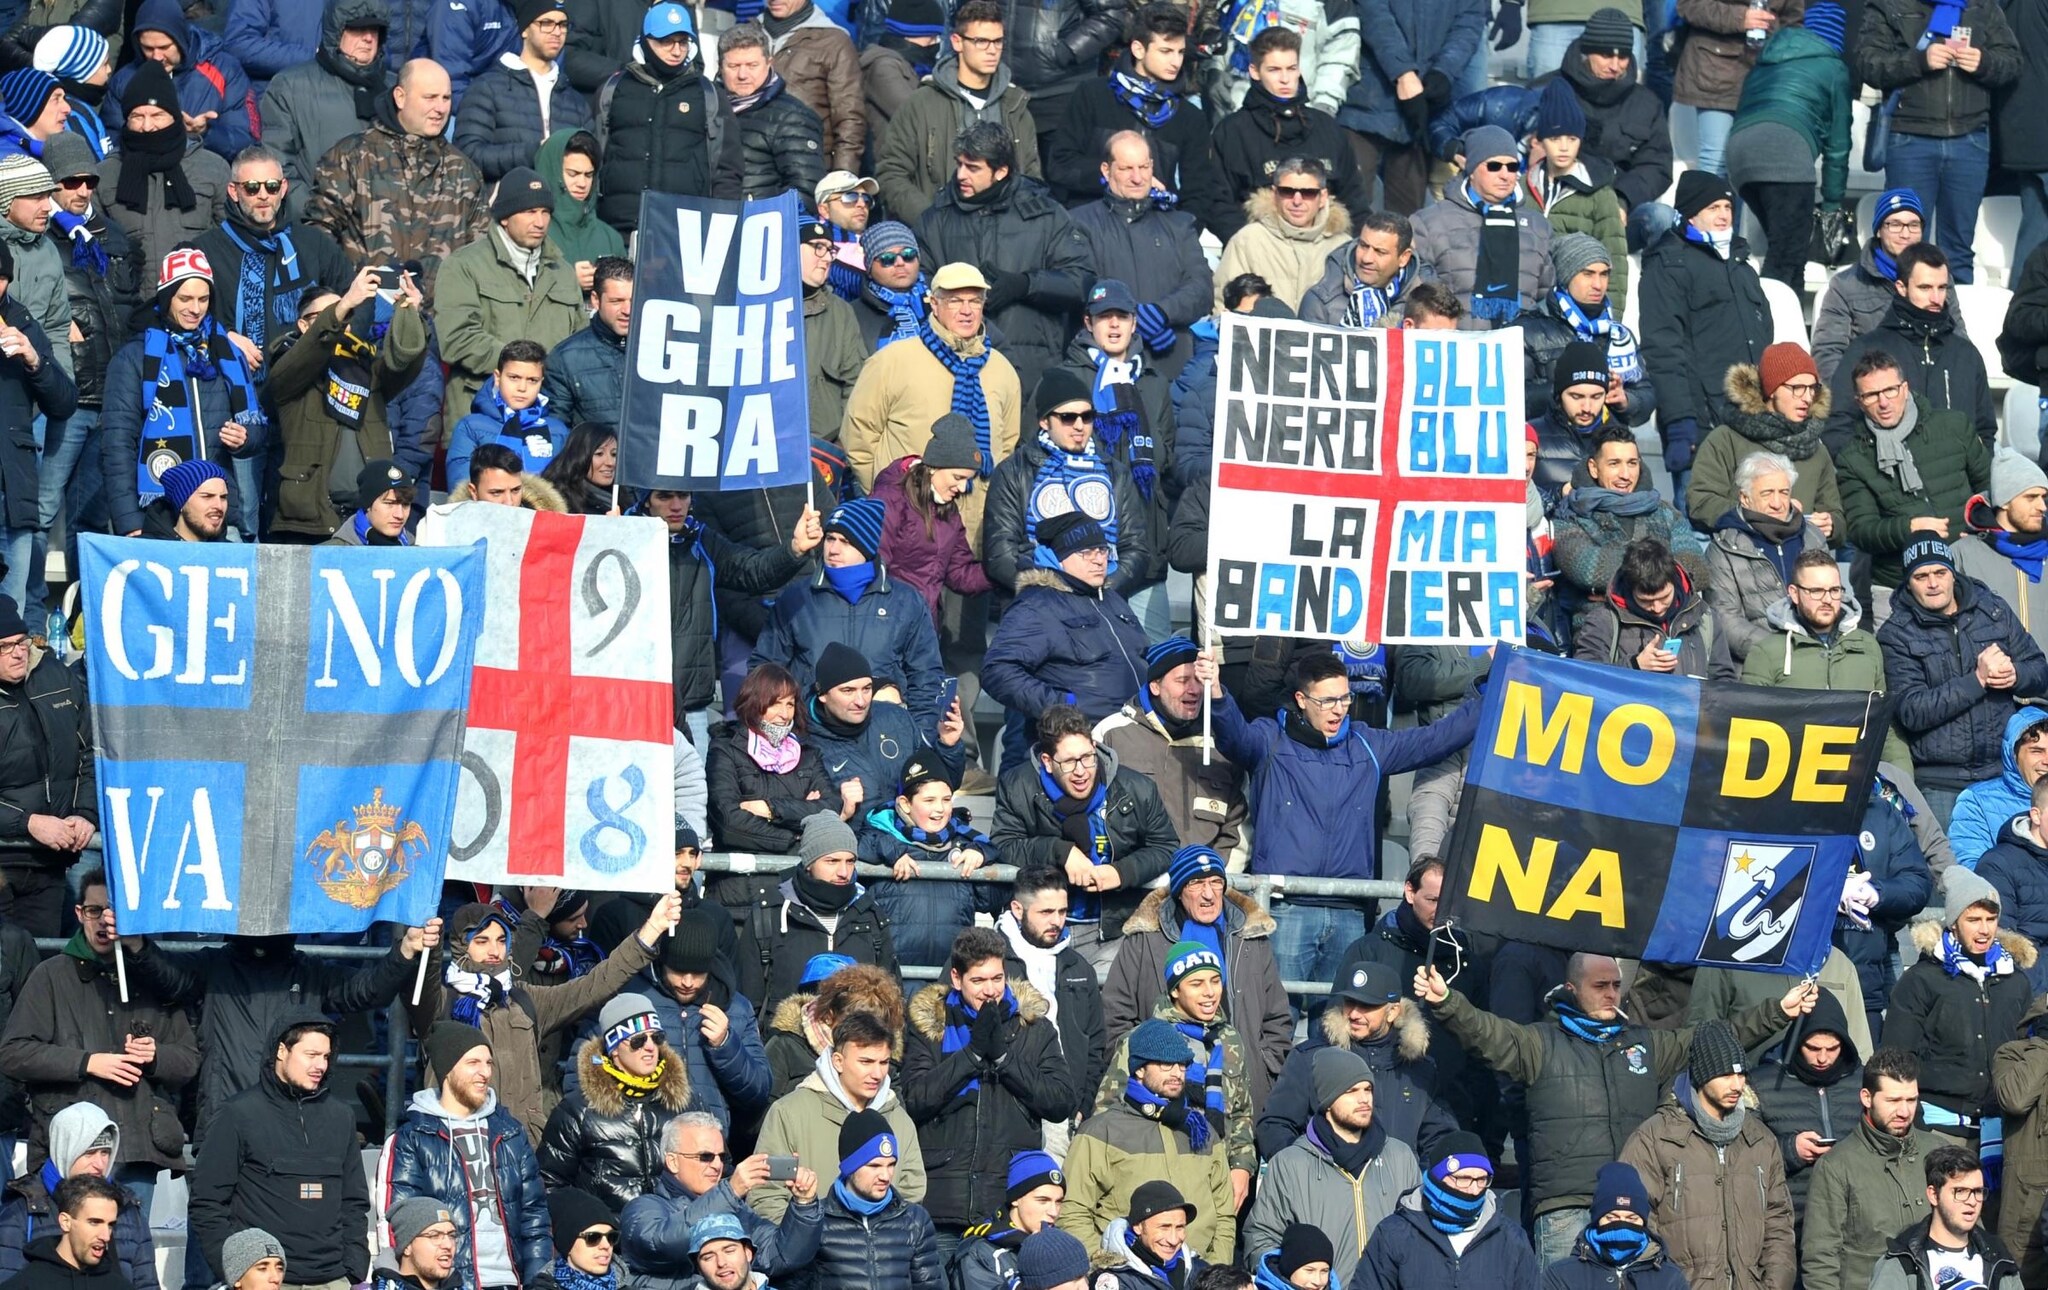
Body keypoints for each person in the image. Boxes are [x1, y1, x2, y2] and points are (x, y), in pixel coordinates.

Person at [1416, 959, 1817, 1268]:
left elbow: (1709, 1040)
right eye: (1600, 986)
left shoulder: (1644, 1045)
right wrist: (1447, 1002)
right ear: (1572, 989)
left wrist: (1778, 1012)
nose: (1611, 994)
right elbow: (1486, 1032)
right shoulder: (1539, 1044)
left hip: (1634, 1206)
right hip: (1565, 1208)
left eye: (1616, 985)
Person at [1200, 646, 1475, 986]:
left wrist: (1490, 688)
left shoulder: (1367, 744)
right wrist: (1216, 693)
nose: (1340, 709)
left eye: (1345, 698)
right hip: (1286, 908)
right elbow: (1233, 736)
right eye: (1327, 700)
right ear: (1301, 699)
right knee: (1278, 1014)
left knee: (1345, 1017)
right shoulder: (1269, 740)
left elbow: (1437, 739)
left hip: (1350, 911)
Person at [417, 893, 683, 1144]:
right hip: (455, 1145)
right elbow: (423, 980)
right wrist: (427, 946)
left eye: (501, 940)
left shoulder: (525, 1000)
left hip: (521, 1148)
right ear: (461, 946)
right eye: (482, 941)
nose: (494, 951)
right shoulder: (442, 1003)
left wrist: (652, 930)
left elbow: (596, 984)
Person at [0, 869, 197, 1200]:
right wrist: (87, 1062)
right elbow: (14, 1053)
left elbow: (188, 1061)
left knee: (131, 1235)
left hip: (136, 1148)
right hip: (67, 1147)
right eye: (95, 911)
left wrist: (156, 1056)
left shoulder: (156, 981)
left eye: (114, 913)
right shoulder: (50, 975)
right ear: (79, 913)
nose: (105, 921)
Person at [901, 928, 1076, 1238]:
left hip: (1007, 1202)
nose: (990, 990)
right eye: (978, 981)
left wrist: (1004, 1059)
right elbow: (915, 1098)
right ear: (957, 979)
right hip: (942, 1202)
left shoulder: (1034, 1028)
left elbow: (1061, 1101)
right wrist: (970, 1056)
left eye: (997, 978)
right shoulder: (929, 1026)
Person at [842, 261, 1021, 555]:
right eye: (955, 301)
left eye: (975, 301)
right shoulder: (892, 361)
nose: (967, 310)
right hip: (908, 528)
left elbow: (1007, 445)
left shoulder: (1002, 371)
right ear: (934, 304)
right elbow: (859, 436)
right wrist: (891, 499)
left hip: (977, 531)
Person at [990, 703, 1178, 971]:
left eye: (1088, 757)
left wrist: (1122, 872)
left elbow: (1166, 847)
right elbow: (1004, 844)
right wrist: (1059, 852)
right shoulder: (1017, 785)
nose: (1081, 771)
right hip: (1037, 932)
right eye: (1069, 762)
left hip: (1114, 930)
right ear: (1047, 762)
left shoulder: (1137, 788)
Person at [186, 1015, 365, 1287]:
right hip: (266, 1282)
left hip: (334, 1279)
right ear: (282, 1051)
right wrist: (236, 1270)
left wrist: (354, 1268)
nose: (321, 1065)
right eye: (311, 1055)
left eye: (326, 1056)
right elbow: (207, 1202)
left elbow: (354, 1201)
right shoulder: (238, 1114)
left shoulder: (341, 1116)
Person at [1616, 1022, 1795, 1290]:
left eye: (1741, 1074)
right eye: (1725, 1075)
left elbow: (1778, 1222)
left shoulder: (1760, 1140)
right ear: (1702, 1075)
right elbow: (1632, 1221)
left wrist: (1774, 1285)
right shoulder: (1656, 1138)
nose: (1737, 1085)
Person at [1878, 540, 2048, 820]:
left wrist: (2016, 674)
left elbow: (2039, 670)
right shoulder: (1896, 634)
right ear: (1908, 584)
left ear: (1953, 574)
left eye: (1940, 573)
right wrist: (1977, 680)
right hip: (1940, 782)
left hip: (2002, 774)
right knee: (1949, 852)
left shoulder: (1993, 611)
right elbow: (1912, 711)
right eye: (1921, 576)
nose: (1933, 583)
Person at [917, 122, 1094, 391]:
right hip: (952, 363)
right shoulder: (936, 219)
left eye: (973, 168)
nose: (961, 174)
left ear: (1001, 171)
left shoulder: (1047, 215)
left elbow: (1081, 282)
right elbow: (920, 283)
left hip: (1033, 366)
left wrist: (1025, 285)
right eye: (959, 164)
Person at [37, 131, 136, 596]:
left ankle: (83, 615)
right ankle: (27, 615)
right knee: (39, 509)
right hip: (66, 397)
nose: (82, 190)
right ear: (50, 183)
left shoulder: (112, 237)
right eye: (70, 181)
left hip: (112, 397)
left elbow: (132, 308)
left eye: (89, 181)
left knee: (92, 515)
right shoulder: (38, 238)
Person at [304, 58, 489, 306]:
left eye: (446, 98)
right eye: (430, 97)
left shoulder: (464, 171)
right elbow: (319, 238)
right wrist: (347, 299)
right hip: (365, 314)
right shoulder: (350, 157)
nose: (440, 108)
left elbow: (480, 253)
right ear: (400, 97)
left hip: (439, 320)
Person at [1857, 0, 2018, 282]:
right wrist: (1919, 61)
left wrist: (1984, 63)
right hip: (1909, 139)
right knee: (1905, 247)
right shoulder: (1889, 4)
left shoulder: (1983, 6)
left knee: (1958, 250)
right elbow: (1867, 63)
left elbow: (2013, 62)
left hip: (1969, 139)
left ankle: (1954, 310)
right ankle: (1900, 310)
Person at [384, 1022, 551, 1290]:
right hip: (450, 1283)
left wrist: (536, 1282)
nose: (485, 1072)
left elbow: (535, 1219)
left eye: (488, 1063)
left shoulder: (510, 1132)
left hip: (512, 1282)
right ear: (447, 1070)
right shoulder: (413, 1137)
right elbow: (398, 1225)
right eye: (473, 1062)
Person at [1044, 4, 1234, 238]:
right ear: (1138, 49)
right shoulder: (1093, 95)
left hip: (1157, 234)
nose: (1176, 61)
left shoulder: (1189, 117)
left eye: (1180, 52)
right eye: (1166, 51)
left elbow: (1199, 193)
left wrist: (1180, 237)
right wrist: (1117, 178)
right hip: (1089, 227)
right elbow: (1060, 166)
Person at [750, 497, 946, 720]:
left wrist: (920, 733)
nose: (833, 549)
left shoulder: (906, 601)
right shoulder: (796, 598)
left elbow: (926, 677)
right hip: (811, 729)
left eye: (845, 541)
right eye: (830, 538)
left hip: (884, 729)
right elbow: (765, 670)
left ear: (866, 547)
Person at [267, 271, 429, 539]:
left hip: (368, 517)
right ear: (303, 325)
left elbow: (404, 364)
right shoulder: (287, 364)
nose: (341, 321)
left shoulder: (367, 369)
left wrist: (410, 315)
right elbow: (297, 364)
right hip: (309, 523)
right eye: (329, 315)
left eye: (347, 314)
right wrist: (343, 305)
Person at [982, 511, 1154, 761]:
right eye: (1086, 552)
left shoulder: (1113, 600)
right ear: (1059, 558)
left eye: (1102, 550)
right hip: (1078, 745)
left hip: (1134, 737)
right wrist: (1064, 707)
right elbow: (997, 670)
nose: (1099, 560)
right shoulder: (1038, 604)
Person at [1094, 941, 1256, 1205]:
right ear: (1175, 991)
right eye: (1197, 984)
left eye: (1215, 981)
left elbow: (1241, 1112)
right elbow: (1107, 1111)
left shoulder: (1229, 1039)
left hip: (1214, 1179)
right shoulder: (1143, 1038)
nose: (1210, 992)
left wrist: (1241, 1166)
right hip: (1153, 1179)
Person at [1059, 1023, 1234, 1264]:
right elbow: (1072, 1211)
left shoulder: (1202, 1131)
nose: (1177, 1073)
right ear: (1139, 1069)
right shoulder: (1101, 1131)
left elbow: (1225, 1215)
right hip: (1127, 1274)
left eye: (1182, 1065)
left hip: (1199, 1273)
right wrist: (1109, 1267)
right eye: (1166, 1064)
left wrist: (1215, 1270)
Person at [1638, 170, 1772, 484]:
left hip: (1752, 419)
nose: (1724, 215)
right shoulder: (1667, 264)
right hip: (1701, 425)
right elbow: (1662, 349)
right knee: (1701, 514)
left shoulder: (1741, 264)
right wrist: (1680, 421)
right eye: (1713, 208)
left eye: (1727, 207)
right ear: (1691, 214)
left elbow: (1763, 336)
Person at [434, 166, 585, 435]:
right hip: (480, 419)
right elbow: (456, 338)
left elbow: (579, 344)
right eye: (529, 212)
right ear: (504, 217)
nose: (540, 222)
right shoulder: (463, 265)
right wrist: (522, 368)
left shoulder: (563, 272)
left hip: (548, 420)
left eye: (545, 212)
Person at [1885, 871, 2037, 1137]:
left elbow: (2029, 1053)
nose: (1984, 930)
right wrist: (1915, 1125)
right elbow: (1897, 1057)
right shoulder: (1922, 979)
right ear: (1954, 922)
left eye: (1991, 919)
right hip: (1939, 1125)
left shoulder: (2015, 981)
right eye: (1973, 920)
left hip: (2004, 1125)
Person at [1242, 1046, 1420, 1272]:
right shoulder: (1291, 1164)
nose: (1364, 1099)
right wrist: (1288, 1278)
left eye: (1368, 1089)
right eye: (1351, 1091)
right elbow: (1261, 1238)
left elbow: (1422, 1233)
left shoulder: (1400, 1157)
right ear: (1327, 1100)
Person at [1838, 356, 1990, 620]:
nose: (1883, 402)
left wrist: (1981, 529)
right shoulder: (1853, 458)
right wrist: (1909, 528)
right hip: (1899, 582)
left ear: (1905, 388)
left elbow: (1989, 490)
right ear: (1859, 402)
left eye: (1890, 390)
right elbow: (1862, 531)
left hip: (1968, 570)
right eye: (1871, 395)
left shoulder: (1954, 426)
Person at [982, 367, 1154, 599]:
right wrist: (1050, 588)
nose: (1079, 425)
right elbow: (1000, 553)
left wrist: (1101, 588)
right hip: (1036, 603)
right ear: (1044, 421)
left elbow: (1136, 548)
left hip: (1102, 599)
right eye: (1068, 418)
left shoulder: (1117, 473)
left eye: (1087, 416)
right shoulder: (1013, 471)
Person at [1257, 960, 1453, 1161]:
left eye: (1367, 1005)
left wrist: (1422, 1176)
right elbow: (1275, 1125)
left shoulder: (1419, 1069)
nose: (1354, 1014)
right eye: (1350, 1002)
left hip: (1400, 1180)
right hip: (1324, 1180)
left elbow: (1440, 1138)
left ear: (1393, 1012)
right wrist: (1301, 1171)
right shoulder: (1310, 1059)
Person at [751, 1011, 926, 1222]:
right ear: (838, 1061)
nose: (877, 1074)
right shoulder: (789, 1113)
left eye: (884, 1062)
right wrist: (803, 1236)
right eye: (866, 1062)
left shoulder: (899, 1119)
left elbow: (911, 1193)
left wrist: (883, 1236)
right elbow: (766, 1195)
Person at [873, 0, 1038, 223]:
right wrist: (931, 221)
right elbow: (891, 174)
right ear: (957, 42)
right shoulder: (921, 103)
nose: (992, 50)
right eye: (981, 41)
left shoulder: (1015, 105)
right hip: (939, 230)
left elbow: (1032, 178)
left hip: (1006, 232)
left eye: (998, 41)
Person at [1826, 244, 1997, 449]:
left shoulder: (1966, 354)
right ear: (1901, 287)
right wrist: (1872, 466)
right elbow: (1838, 426)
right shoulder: (1866, 350)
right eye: (1925, 288)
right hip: (1884, 467)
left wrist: (1974, 466)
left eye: (1942, 288)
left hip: (1960, 470)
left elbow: (1985, 431)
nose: (1936, 298)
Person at [617, 1115, 822, 1286]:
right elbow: (661, 1244)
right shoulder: (644, 1208)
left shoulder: (735, 1209)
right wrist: (730, 1191)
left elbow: (780, 1255)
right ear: (672, 1161)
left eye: (721, 1157)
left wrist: (803, 1205)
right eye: (705, 1156)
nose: (717, 1165)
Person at [731, 814, 901, 1018]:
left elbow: (891, 1001)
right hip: (785, 1036)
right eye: (832, 861)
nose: (843, 871)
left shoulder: (870, 914)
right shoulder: (768, 913)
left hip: (857, 1035)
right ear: (809, 863)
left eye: (850, 861)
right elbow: (747, 1002)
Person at [1799, 1046, 1940, 1290]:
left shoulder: (1938, 1151)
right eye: (1893, 1100)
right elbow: (1820, 1260)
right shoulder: (1836, 1166)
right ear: (1866, 1097)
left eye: (1911, 1100)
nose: (1904, 1111)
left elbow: (1971, 1235)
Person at [1093, 640, 1248, 860]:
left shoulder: (1222, 741)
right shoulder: (1112, 734)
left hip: (1204, 878)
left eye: (1199, 680)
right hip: (1129, 875)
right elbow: (1089, 810)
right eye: (1182, 681)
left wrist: (1218, 873)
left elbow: (1239, 824)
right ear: (1155, 686)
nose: (1194, 690)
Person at [1725, 23, 1851, 289]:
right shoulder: (1834, 68)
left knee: (1791, 255)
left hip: (1739, 154)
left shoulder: (1763, 62)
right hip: (1785, 153)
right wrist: (1831, 204)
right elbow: (1838, 146)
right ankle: (1765, 314)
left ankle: (1787, 312)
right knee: (1786, 257)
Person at [1333, 0, 1483, 217]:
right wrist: (1402, 72)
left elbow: (1469, 21)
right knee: (1351, 205)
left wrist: (1444, 71)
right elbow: (1373, 14)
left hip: (1423, 106)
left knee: (1407, 217)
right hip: (1367, 99)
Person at [1210, 29, 1373, 224]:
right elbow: (1219, 206)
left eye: (1291, 68)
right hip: (1257, 238)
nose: (1285, 79)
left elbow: (1355, 202)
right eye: (1274, 70)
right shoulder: (1233, 132)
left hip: (1327, 239)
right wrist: (1249, 240)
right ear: (1254, 71)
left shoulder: (1327, 128)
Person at [94, 61, 229, 295]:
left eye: (157, 115)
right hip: (132, 305)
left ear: (175, 116)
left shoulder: (213, 168)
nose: (147, 126)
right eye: (137, 116)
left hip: (197, 303)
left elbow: (229, 241)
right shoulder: (104, 175)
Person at [257, 0, 392, 223]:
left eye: (375, 30)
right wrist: (319, 216)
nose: (368, 38)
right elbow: (277, 166)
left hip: (390, 228)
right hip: (321, 227)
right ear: (336, 31)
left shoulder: (397, 90)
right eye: (358, 29)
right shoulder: (290, 86)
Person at [1690, 345, 1844, 539]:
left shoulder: (1816, 449)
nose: (1807, 397)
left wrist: (1830, 525)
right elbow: (1700, 503)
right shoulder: (1726, 440)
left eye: (1812, 388)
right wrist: (1759, 515)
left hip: (1804, 555)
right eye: (1797, 388)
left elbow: (1837, 516)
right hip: (1742, 553)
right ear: (1772, 390)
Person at [998, 867, 1110, 1134]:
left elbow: (1095, 1044)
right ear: (1017, 909)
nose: (1057, 921)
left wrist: (1083, 1103)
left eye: (1062, 911)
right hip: (1003, 1112)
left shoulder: (1079, 968)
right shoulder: (989, 961)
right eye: (1046, 912)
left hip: (1063, 1114)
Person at [1410, 126, 1553, 329]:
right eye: (1494, 166)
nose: (1505, 175)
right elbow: (1418, 297)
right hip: (1456, 343)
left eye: (1512, 167)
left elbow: (1546, 294)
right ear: (1472, 170)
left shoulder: (1538, 226)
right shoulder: (1429, 223)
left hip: (1520, 344)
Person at [1353, 1134, 1538, 1290]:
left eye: (1482, 1180)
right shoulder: (1394, 1235)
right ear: (1438, 1178)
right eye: (1463, 1179)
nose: (1474, 1190)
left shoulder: (1511, 1240)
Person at [0, 1104, 155, 1290]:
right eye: (89, 1153)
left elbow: (147, 1283)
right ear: (65, 1150)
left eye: (105, 1152)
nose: (99, 1164)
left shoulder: (128, 1209)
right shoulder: (24, 1209)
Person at [852, 751, 983, 970]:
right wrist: (893, 851)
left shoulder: (964, 843)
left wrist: (981, 856)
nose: (940, 809)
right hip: (892, 977)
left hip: (949, 977)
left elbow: (993, 899)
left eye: (946, 800)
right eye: (929, 800)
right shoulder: (881, 837)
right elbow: (855, 844)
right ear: (905, 804)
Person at [1552, 426, 1708, 608]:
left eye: (1632, 463)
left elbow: (1696, 568)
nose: (1625, 475)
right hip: (1600, 621)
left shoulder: (1666, 512)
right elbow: (1586, 568)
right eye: (1614, 464)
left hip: (1666, 618)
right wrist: (1664, 577)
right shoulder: (1570, 516)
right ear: (1594, 468)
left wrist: (1621, 593)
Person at [592, 5, 714, 237]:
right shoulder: (613, 89)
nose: (676, 51)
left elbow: (726, 168)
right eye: (666, 41)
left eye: (682, 42)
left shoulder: (707, 93)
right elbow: (595, 155)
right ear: (646, 41)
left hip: (684, 231)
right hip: (618, 227)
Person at [1703, 453, 1831, 664]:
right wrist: (1785, 652)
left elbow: (1833, 599)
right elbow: (1726, 620)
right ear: (1745, 498)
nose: (1777, 503)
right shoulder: (1724, 547)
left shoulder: (1812, 537)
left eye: (1784, 492)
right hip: (1758, 665)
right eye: (1767, 493)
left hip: (1817, 657)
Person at [1815, 191, 1952, 382]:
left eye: (1913, 225)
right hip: (1871, 391)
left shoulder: (1940, 279)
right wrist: (1854, 394)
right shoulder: (1845, 286)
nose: (1905, 234)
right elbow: (1828, 353)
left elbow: (1958, 341)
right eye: (1895, 225)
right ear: (1879, 230)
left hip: (1931, 385)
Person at [1542, 12, 1670, 213]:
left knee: (1660, 216)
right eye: (1606, 56)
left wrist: (1622, 199)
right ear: (1586, 53)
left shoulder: (1647, 103)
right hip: (1558, 201)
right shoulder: (1546, 91)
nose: (1615, 66)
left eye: (1623, 57)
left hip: (1622, 203)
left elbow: (1657, 165)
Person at [1520, 234, 1652, 428]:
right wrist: (1570, 388)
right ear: (1566, 276)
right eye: (1588, 274)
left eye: (1604, 274)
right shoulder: (1528, 331)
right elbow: (1513, 397)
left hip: (1607, 440)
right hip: (1549, 441)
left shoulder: (1618, 334)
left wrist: (1625, 400)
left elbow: (1646, 393)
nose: (1598, 285)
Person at [453, 0, 594, 181]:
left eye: (562, 24)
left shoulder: (576, 103)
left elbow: (592, 160)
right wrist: (535, 152)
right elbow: (468, 155)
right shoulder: (487, 88)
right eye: (546, 23)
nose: (556, 31)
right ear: (525, 30)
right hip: (505, 197)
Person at [705, 662, 838, 853]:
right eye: (775, 703)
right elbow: (728, 822)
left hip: (798, 867)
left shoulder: (807, 754)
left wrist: (771, 809)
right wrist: (794, 838)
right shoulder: (725, 749)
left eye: (790, 704)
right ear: (753, 702)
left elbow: (830, 809)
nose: (784, 714)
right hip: (745, 868)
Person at [1750, 992, 1864, 1208]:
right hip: (1791, 1212)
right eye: (1812, 1048)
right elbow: (1743, 1156)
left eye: (1833, 1048)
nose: (1822, 1058)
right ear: (1797, 1042)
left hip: (1855, 1210)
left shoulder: (1865, 1081)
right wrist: (1790, 1150)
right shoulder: (1761, 1083)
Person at [1521, 85, 1629, 310]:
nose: (1564, 147)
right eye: (1555, 138)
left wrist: (1611, 319)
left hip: (1580, 309)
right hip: (1526, 305)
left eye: (1572, 138)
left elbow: (1615, 260)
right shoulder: (1521, 186)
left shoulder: (1600, 193)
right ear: (1541, 140)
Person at [106, 0, 258, 159]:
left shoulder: (225, 69)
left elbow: (247, 142)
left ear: (181, 39)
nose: (157, 57)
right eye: (148, 48)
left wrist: (206, 132)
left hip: (206, 170)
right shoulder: (124, 80)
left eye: (164, 47)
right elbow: (110, 142)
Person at [811, 1110, 941, 1290]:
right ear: (850, 1167)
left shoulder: (915, 1220)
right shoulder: (815, 1219)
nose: (885, 1176)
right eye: (874, 1166)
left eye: (891, 1164)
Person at [1574, 535, 1737, 678]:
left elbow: (1723, 680)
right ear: (1630, 590)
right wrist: (1635, 665)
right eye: (1645, 601)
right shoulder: (1604, 620)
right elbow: (1584, 678)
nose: (1657, 608)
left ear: (1675, 582)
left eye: (1664, 598)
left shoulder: (1703, 616)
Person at [1213, 157, 1352, 315]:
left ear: (1323, 197)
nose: (1297, 201)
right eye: (1288, 191)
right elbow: (1223, 308)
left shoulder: (1344, 248)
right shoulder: (1247, 240)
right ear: (1274, 194)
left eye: (1308, 193)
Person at [1868, 1147, 2020, 1290]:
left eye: (1978, 1191)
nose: (1972, 1201)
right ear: (1933, 1195)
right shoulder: (1901, 1261)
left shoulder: (2000, 1258)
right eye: (1960, 1191)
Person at [716, 24, 827, 202]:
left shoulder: (792, 117)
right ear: (720, 67)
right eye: (733, 66)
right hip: (706, 214)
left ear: (769, 63)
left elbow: (806, 189)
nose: (742, 75)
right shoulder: (706, 107)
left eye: (752, 65)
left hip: (761, 216)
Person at [1537, 1163, 1685, 1290]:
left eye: (1631, 1218)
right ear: (1597, 1220)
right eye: (1612, 1217)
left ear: (1644, 1222)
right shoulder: (1561, 1276)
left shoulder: (1670, 1278)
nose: (1622, 1224)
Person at [444, 339, 569, 487]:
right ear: (497, 377)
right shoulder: (471, 427)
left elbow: (568, 490)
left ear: (541, 381)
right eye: (514, 378)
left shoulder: (559, 431)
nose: (522, 388)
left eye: (532, 380)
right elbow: (462, 488)